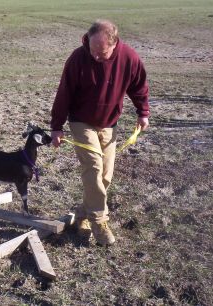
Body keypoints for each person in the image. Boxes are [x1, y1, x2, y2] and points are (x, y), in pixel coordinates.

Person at [50, 20, 150, 246]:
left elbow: (139, 86)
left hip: (109, 123)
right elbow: (63, 93)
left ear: (115, 44)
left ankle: (83, 214)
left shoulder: (129, 58)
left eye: (101, 52)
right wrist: (56, 126)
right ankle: (99, 223)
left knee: (105, 176)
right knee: (93, 168)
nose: (95, 56)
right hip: (81, 121)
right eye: (92, 50)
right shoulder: (78, 58)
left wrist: (143, 112)